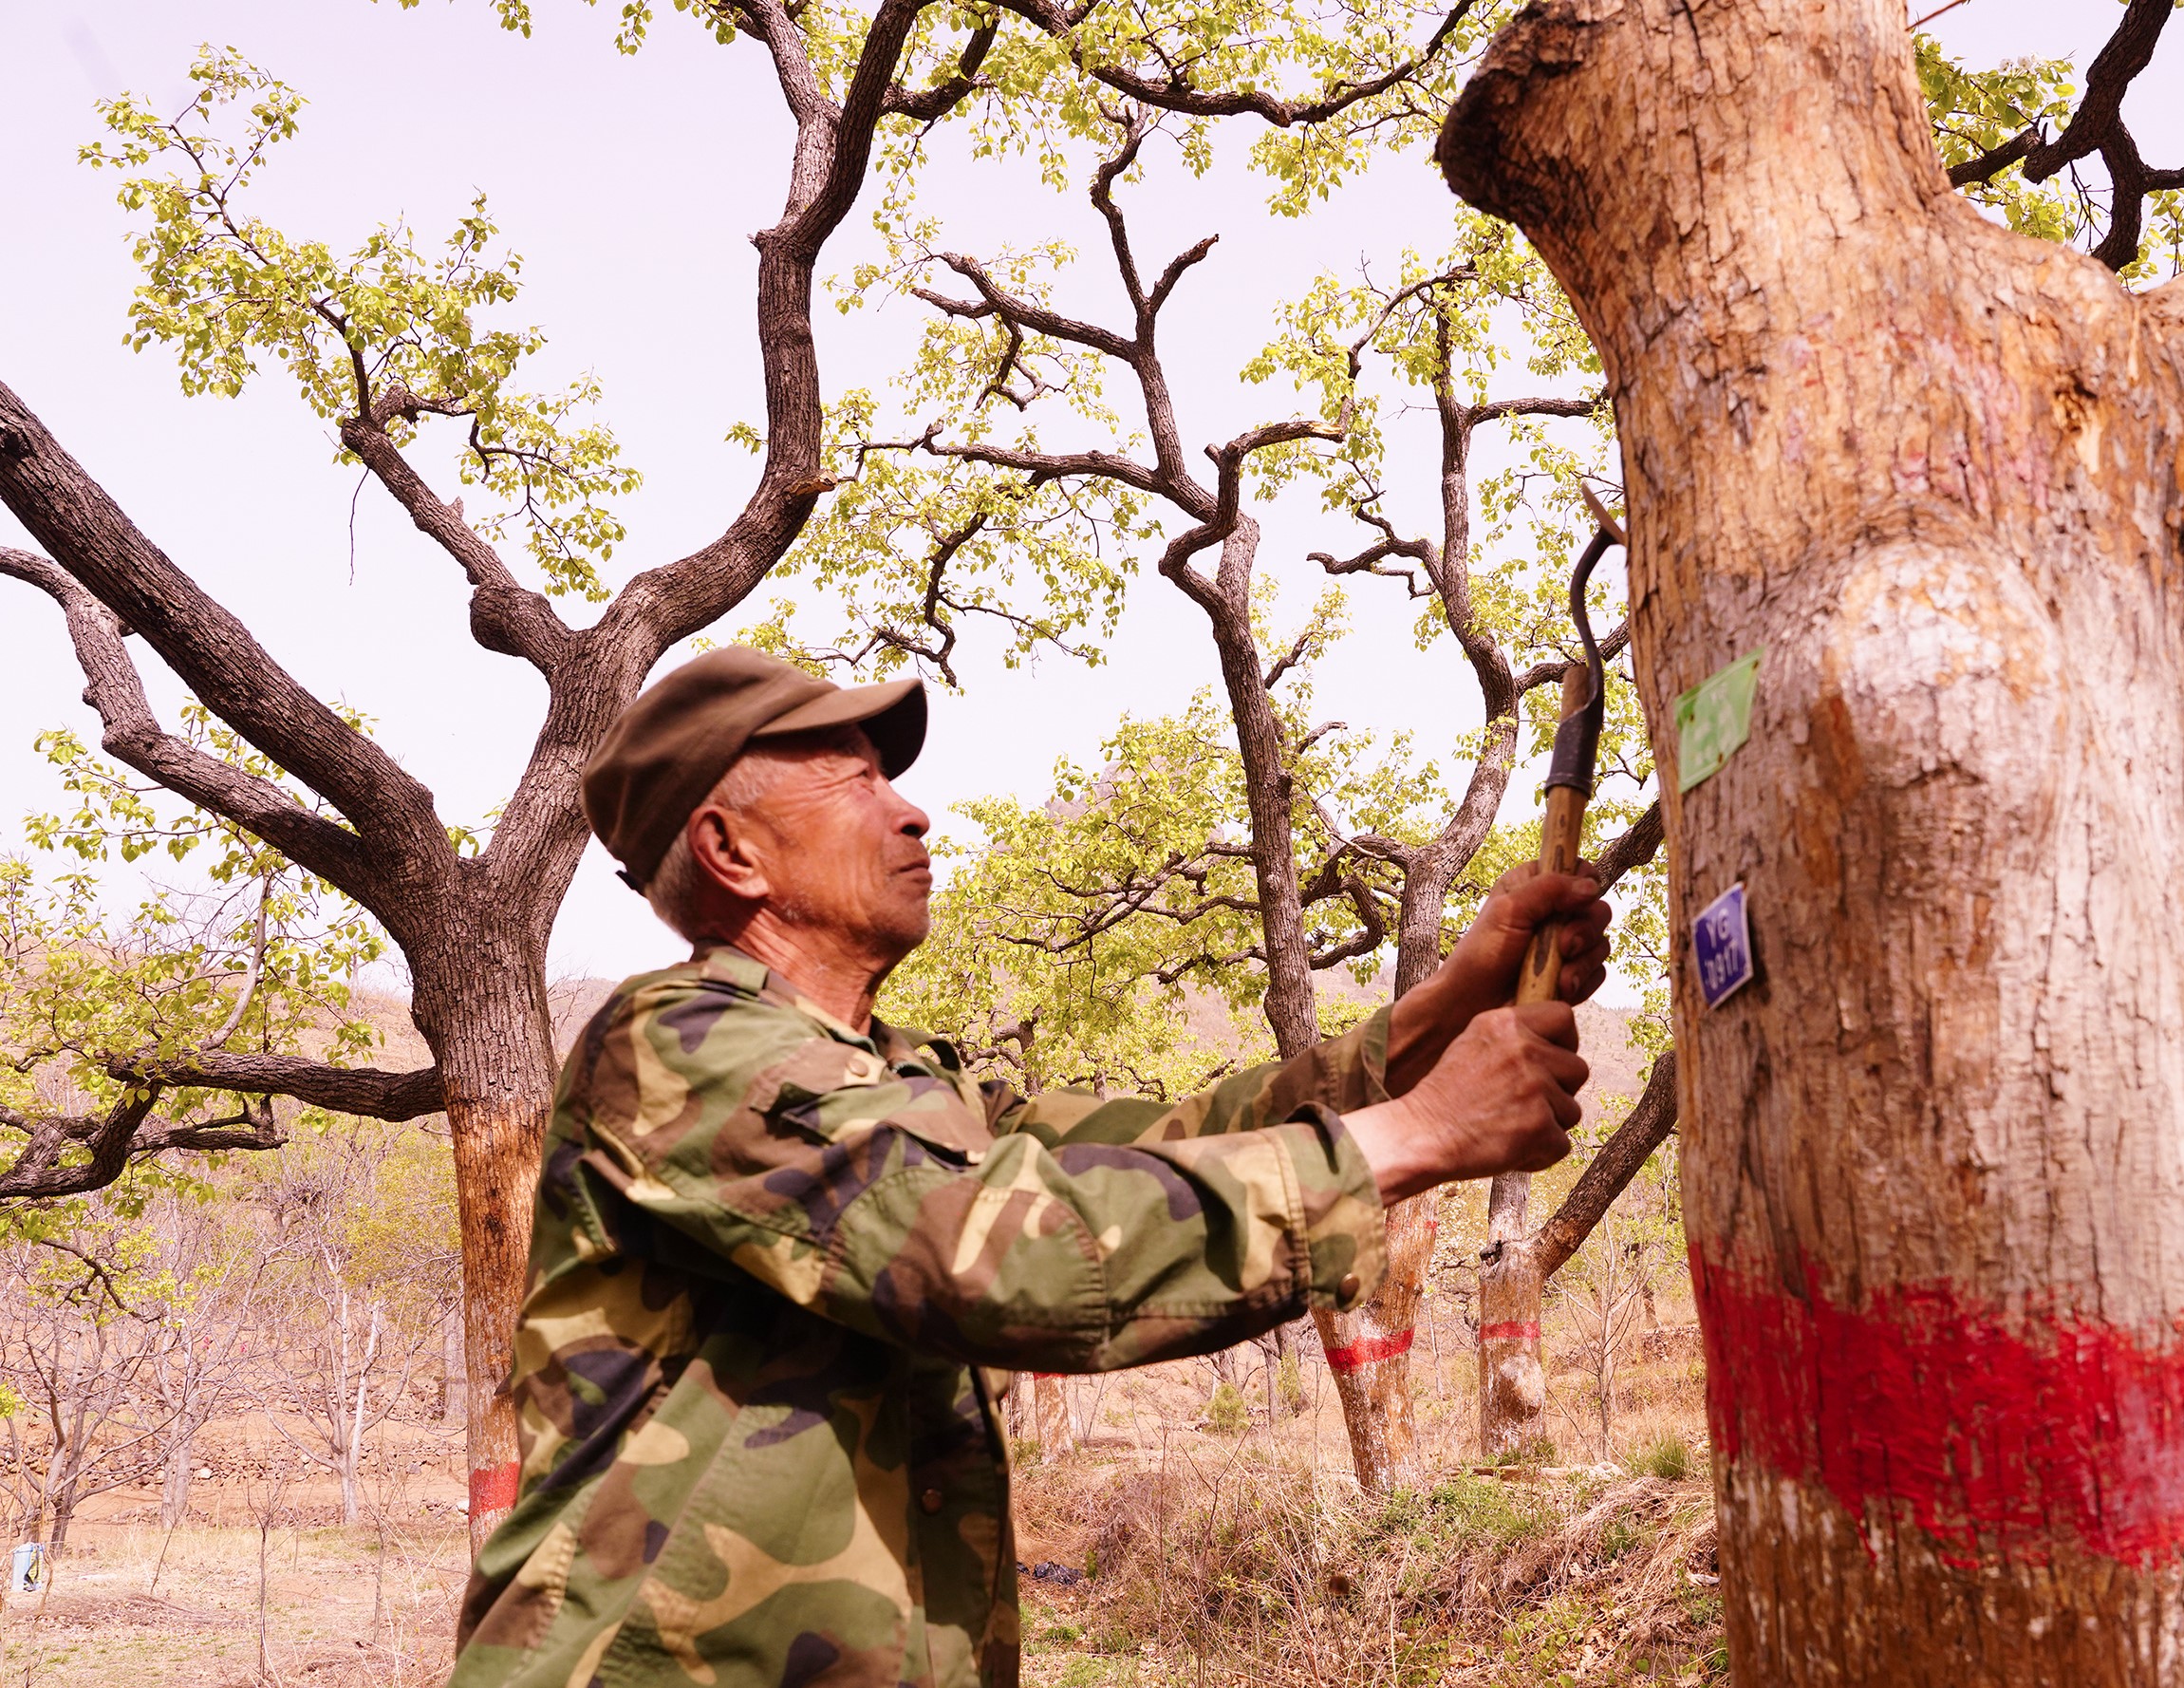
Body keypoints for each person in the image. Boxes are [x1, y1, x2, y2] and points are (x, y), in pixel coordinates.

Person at [450, 648, 1612, 1688]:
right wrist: (1420, 1132)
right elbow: (1015, 1255)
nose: (912, 816)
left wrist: (1447, 1007)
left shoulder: (900, 1078)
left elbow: (1174, 1139)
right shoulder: (678, 1045)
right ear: (730, 850)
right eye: (858, 783)